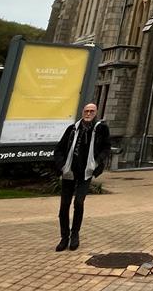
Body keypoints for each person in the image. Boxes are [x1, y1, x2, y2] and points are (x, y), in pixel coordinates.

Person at [52, 102, 110, 252]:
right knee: (64, 206)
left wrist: (98, 161)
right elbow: (59, 149)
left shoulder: (101, 129)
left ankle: (75, 234)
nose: (89, 113)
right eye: (86, 111)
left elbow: (106, 147)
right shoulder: (72, 129)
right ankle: (64, 237)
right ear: (82, 112)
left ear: (95, 113)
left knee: (79, 202)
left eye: (91, 111)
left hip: (86, 172)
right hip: (69, 171)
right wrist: (62, 165)